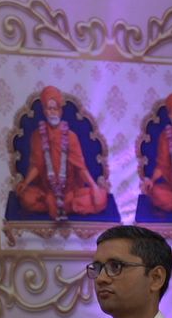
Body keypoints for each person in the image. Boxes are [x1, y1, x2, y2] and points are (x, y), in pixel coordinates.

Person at [16, 86, 108, 219]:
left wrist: (94, 187)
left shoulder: (71, 137)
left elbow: (80, 167)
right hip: (47, 191)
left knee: (101, 199)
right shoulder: (38, 136)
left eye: (56, 109)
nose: (52, 112)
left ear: (61, 111)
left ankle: (63, 205)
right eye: (49, 108)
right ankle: (59, 205)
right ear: (44, 111)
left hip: (70, 191)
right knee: (26, 198)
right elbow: (37, 165)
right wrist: (25, 183)